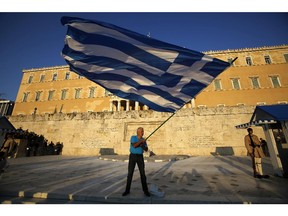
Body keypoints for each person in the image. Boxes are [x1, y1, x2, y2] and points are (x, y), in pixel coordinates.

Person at [122, 127, 150, 197]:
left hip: (140, 157)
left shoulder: (143, 140)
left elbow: (146, 149)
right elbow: (134, 145)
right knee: (130, 173)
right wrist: (140, 142)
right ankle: (127, 190)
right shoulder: (133, 137)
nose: (142, 133)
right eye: (141, 131)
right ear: (138, 132)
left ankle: (145, 191)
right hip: (133, 157)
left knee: (142, 174)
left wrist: (143, 144)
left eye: (143, 131)